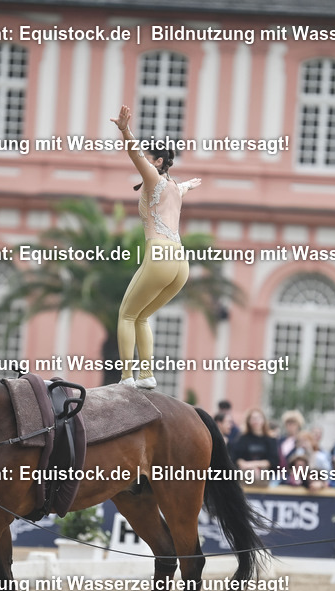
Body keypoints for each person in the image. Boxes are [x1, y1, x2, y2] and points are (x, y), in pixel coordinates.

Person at [111, 104, 200, 389]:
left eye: (151, 160)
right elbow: (182, 188)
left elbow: (134, 154)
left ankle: (126, 378)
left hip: (160, 255)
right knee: (142, 316)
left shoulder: (152, 179)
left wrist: (125, 130)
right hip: (180, 263)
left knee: (126, 314)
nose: (146, 164)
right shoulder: (174, 187)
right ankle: (147, 376)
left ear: (158, 162)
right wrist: (189, 184)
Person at [230, 408, 279, 483]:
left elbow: (273, 461)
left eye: (258, 418)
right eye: (253, 418)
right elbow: (235, 458)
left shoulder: (271, 439)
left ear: (263, 420)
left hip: (264, 477)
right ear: (248, 421)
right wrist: (248, 467)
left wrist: (252, 465)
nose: (256, 421)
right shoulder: (242, 438)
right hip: (244, 476)